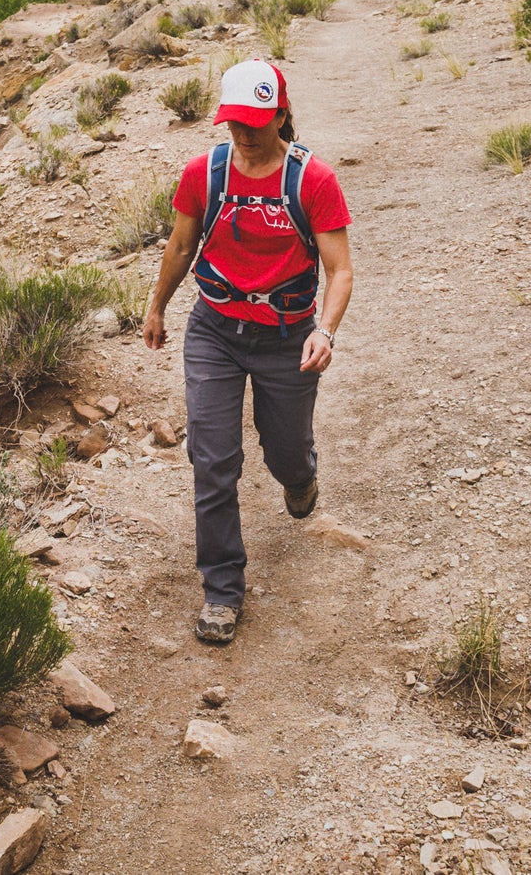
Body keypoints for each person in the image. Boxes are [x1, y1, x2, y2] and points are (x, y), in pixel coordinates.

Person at [142, 58, 353, 645]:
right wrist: (157, 305)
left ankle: (300, 477)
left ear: (281, 115)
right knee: (212, 461)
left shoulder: (313, 181)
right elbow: (182, 244)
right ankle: (222, 589)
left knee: (285, 452)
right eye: (233, 121)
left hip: (288, 337)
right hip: (214, 331)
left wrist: (325, 331)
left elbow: (339, 272)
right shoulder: (204, 173)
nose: (243, 133)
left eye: (255, 122)